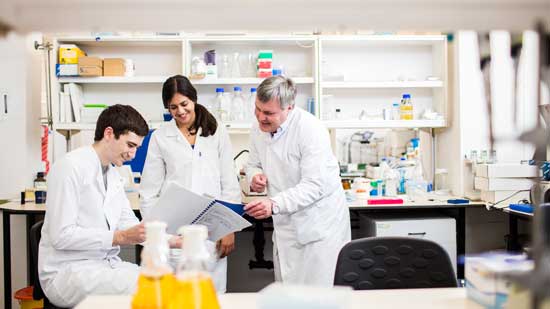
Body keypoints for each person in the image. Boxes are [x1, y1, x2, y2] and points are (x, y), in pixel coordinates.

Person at [39, 105, 160, 307]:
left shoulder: (112, 174)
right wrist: (119, 237)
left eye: (136, 148)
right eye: (130, 145)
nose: (133, 154)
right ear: (109, 133)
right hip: (68, 272)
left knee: (162, 280)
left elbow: (128, 222)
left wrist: (168, 238)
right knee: (150, 289)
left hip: (102, 266)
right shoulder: (70, 167)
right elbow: (61, 236)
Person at [244, 76, 351, 286]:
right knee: (289, 296)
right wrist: (255, 176)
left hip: (318, 227)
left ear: (289, 107)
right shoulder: (259, 127)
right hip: (286, 225)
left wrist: (274, 203)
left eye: (268, 113)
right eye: (257, 109)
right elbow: (252, 163)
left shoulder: (311, 130)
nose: (260, 117)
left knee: (318, 298)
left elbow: (314, 185)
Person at [139, 75, 241, 293]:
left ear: (194, 99)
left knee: (211, 296)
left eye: (184, 104)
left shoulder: (217, 131)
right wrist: (158, 236)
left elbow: (229, 183)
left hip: (212, 228)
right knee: (173, 297)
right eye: (173, 107)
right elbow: (149, 192)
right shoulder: (160, 137)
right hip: (174, 228)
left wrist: (229, 228)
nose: (180, 111)